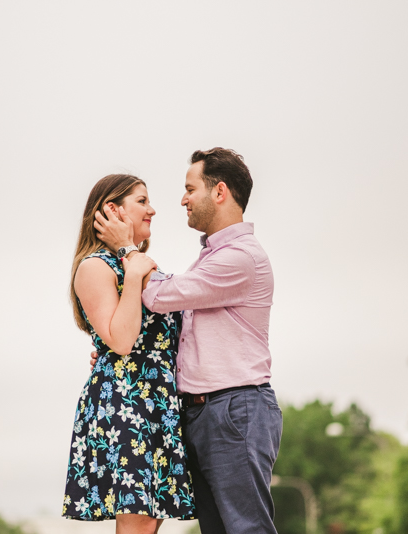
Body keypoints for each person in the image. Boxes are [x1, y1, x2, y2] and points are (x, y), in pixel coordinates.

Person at [93, 148, 282, 534]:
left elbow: (161, 296)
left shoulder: (240, 258)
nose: (182, 199)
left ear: (220, 192)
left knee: (246, 529)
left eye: (189, 188)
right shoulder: (213, 257)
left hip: (233, 408)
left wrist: (125, 248)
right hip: (204, 412)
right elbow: (176, 323)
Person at [62, 174, 195, 534]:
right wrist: (133, 272)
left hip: (158, 402)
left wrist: (132, 262)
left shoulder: (135, 263)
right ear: (112, 209)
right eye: (142, 200)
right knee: (136, 523)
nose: (152, 209)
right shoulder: (95, 267)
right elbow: (121, 342)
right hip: (126, 402)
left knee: (150, 521)